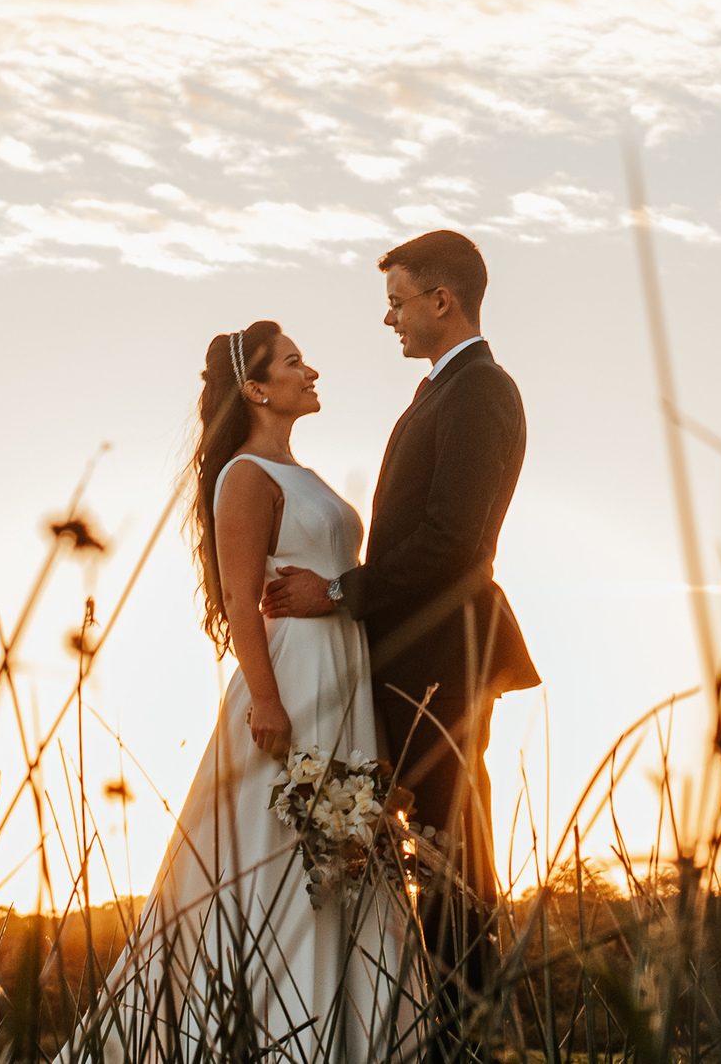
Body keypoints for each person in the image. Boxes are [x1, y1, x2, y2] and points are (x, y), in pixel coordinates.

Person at [65, 321, 422, 1064]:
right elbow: (239, 597)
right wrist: (264, 699)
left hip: (341, 673)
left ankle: (354, 1030)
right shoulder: (244, 476)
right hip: (292, 678)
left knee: (346, 850)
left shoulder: (302, 474)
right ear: (256, 388)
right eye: (294, 362)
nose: (311, 370)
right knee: (286, 852)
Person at [260, 232, 539, 979]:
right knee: (434, 853)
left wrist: (340, 591)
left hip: (443, 662)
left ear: (441, 300)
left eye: (397, 302)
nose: (391, 320)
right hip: (415, 660)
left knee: (455, 855)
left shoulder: (480, 391)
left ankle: (468, 1026)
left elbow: (453, 541)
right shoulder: (443, 390)